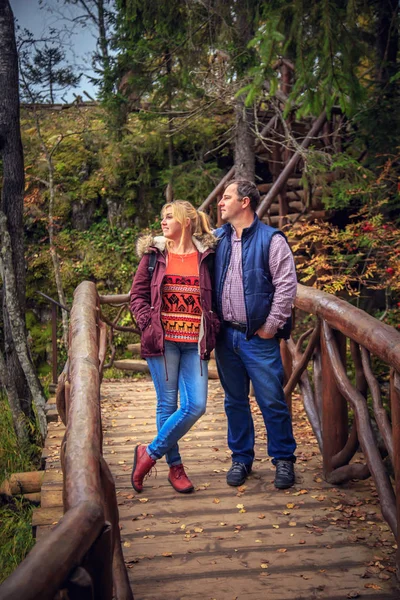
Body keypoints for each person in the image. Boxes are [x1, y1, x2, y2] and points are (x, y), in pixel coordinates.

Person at [129, 200, 219, 494]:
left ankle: (149, 453)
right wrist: (147, 324)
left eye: (169, 217)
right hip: (164, 343)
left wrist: (214, 324)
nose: (163, 222)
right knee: (167, 405)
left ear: (187, 221)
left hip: (195, 343)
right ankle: (175, 467)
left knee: (196, 405)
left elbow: (215, 297)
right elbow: (138, 296)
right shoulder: (154, 255)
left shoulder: (207, 255)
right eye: (162, 217)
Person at [214, 179, 297, 489]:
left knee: (271, 400)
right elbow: (179, 245)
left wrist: (271, 326)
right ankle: (241, 459)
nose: (221, 203)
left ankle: (284, 460)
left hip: (257, 338)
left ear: (244, 202)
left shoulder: (271, 239)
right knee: (234, 401)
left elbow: (286, 286)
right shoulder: (217, 239)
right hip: (226, 337)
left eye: (227, 197)